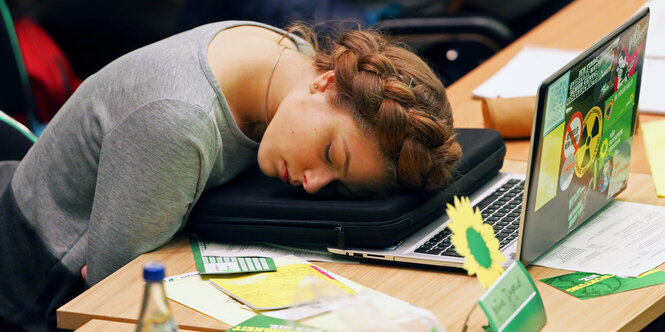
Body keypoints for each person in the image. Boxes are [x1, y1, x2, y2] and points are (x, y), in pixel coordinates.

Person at [0, 20, 461, 331]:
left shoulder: (288, 56)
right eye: (329, 154)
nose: (315, 184)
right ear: (326, 84)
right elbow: (113, 298)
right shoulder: (178, 125)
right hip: (32, 287)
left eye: (338, 183)